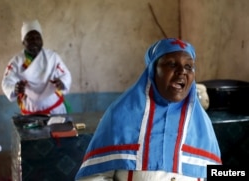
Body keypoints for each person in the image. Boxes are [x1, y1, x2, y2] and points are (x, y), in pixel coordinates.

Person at [75, 38, 222, 181]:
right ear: (152, 71)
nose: (182, 71)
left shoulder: (202, 125)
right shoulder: (119, 115)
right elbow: (93, 177)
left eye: (188, 66)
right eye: (171, 64)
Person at [1, 20, 72, 115]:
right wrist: (15, 88)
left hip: (55, 111)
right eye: (30, 38)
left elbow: (66, 75)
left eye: (37, 38)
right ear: (23, 42)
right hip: (30, 114)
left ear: (42, 40)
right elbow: (6, 82)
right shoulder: (16, 62)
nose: (34, 41)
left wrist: (62, 83)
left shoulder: (52, 57)